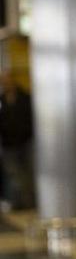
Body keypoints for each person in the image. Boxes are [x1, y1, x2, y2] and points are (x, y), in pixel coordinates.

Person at [0, 69, 33, 212]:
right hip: (8, 144)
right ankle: (19, 203)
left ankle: (28, 203)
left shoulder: (25, 97)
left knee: (27, 174)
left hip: (26, 142)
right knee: (14, 174)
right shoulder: (1, 100)